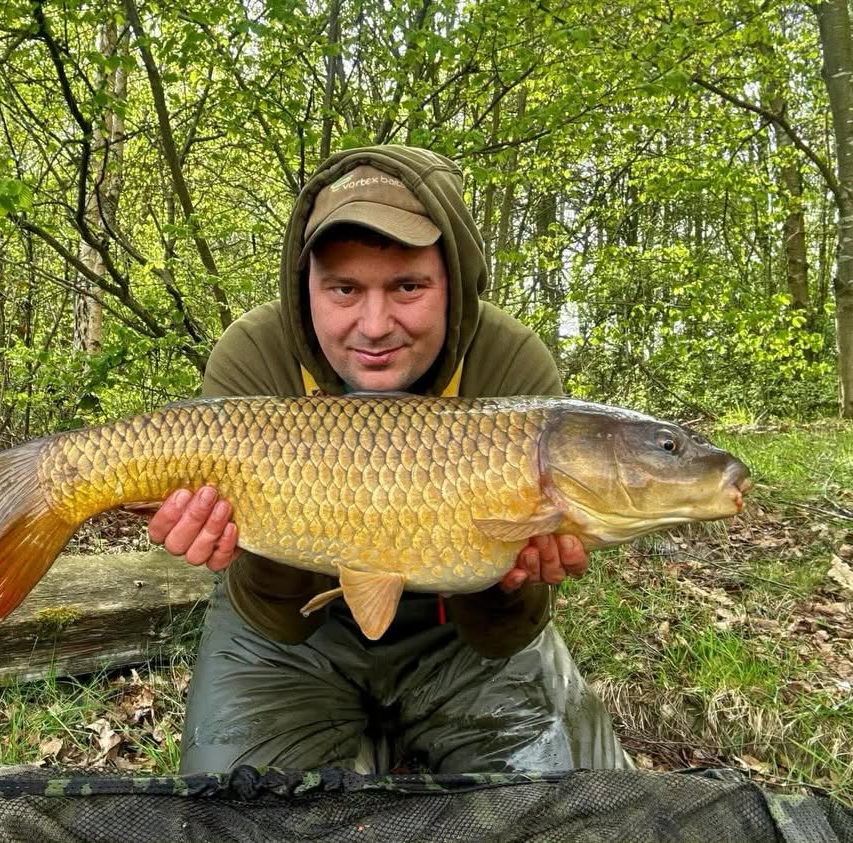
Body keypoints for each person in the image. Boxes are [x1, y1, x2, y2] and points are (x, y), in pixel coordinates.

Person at [148, 145, 631, 774]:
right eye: (344, 289)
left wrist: (517, 581)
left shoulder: (511, 362)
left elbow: (504, 634)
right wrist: (238, 544)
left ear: (454, 282)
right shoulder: (254, 354)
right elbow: (277, 618)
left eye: (407, 287)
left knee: (562, 800)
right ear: (306, 286)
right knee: (238, 804)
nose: (374, 326)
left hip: (457, 635)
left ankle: (403, 735)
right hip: (292, 634)